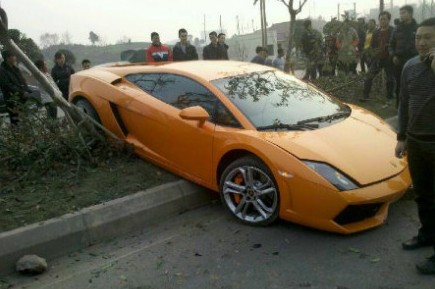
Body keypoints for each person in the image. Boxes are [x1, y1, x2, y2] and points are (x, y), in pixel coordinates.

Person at [396, 17, 435, 275]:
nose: (421, 42)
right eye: (418, 37)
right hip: (416, 142)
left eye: (428, 37)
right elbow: (403, 102)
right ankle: (426, 235)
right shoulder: (409, 66)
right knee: (422, 196)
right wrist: (401, 137)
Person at [361, 11, 394, 105]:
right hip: (377, 59)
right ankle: (365, 95)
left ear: (388, 20)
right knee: (368, 76)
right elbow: (372, 46)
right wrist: (371, 55)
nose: (382, 21)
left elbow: (395, 44)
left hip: (389, 58)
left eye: (384, 19)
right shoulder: (376, 32)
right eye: (380, 19)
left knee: (390, 79)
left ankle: (389, 97)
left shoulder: (393, 31)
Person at [389, 5, 418, 107]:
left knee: (413, 84)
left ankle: (412, 105)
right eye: (400, 13)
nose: (401, 15)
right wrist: (393, 56)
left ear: (410, 14)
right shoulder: (397, 29)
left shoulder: (417, 28)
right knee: (400, 84)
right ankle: (399, 105)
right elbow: (391, 45)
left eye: (403, 13)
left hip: (413, 60)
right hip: (399, 61)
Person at [0, 50, 39, 125]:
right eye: (13, 56)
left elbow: (23, 81)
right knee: (16, 122)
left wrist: (27, 90)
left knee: (25, 120)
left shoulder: (16, 69)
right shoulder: (2, 71)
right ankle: (18, 135)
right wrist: (22, 92)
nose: (15, 58)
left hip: (23, 99)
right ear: (8, 58)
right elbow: (7, 85)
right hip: (13, 101)